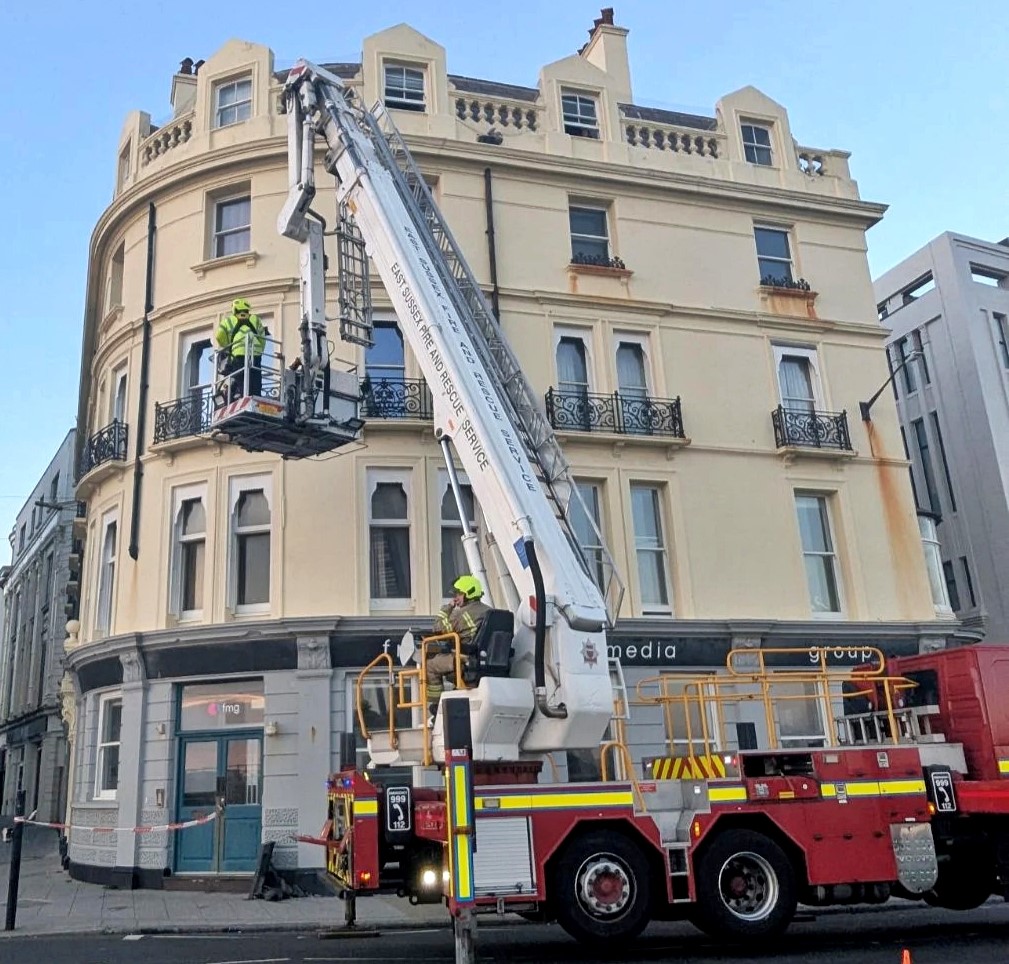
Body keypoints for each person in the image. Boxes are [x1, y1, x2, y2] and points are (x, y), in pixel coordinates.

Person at [426, 575, 490, 723]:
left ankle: (436, 706)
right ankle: (458, 691)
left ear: (468, 594)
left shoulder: (461, 614)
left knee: (430, 665)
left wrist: (447, 607)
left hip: (466, 659)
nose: (455, 597)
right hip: (485, 661)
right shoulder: (489, 611)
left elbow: (438, 628)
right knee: (450, 672)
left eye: (458, 594)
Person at [215, 298, 267, 402]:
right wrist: (259, 350)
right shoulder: (255, 319)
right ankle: (256, 398)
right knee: (255, 379)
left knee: (241, 379)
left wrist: (229, 345)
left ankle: (243, 397)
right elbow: (262, 338)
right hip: (255, 354)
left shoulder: (228, 321)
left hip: (238, 354)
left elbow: (219, 336)